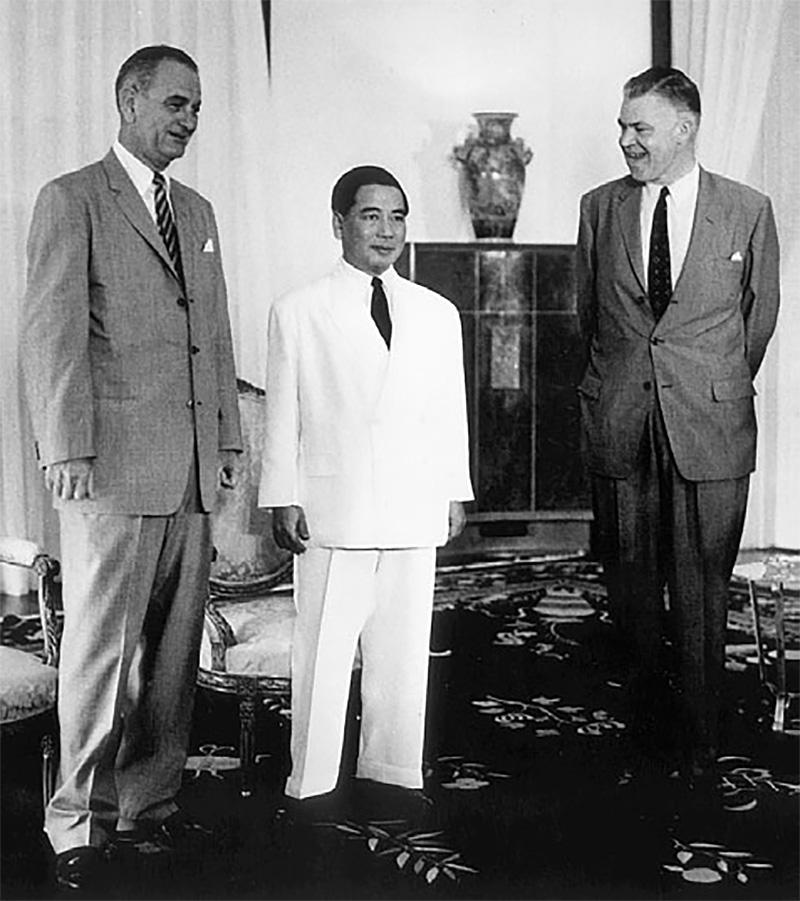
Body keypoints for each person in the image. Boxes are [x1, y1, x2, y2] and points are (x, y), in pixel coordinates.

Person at [21, 45, 242, 890]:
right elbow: (52, 336)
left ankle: (147, 805)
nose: (187, 121)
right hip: (109, 469)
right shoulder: (72, 199)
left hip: (189, 473)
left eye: (196, 109)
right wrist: (66, 447)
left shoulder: (200, 211)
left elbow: (213, 339)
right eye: (175, 104)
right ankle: (75, 818)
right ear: (129, 99)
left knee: (174, 655)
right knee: (101, 654)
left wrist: (224, 445)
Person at [576, 67, 780, 781]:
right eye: (623, 127)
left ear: (685, 129)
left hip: (710, 425)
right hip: (622, 421)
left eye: (641, 129)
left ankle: (699, 750)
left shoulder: (748, 210)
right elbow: (589, 316)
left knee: (701, 591)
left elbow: (757, 320)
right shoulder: (599, 207)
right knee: (629, 584)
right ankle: (643, 736)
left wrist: (706, 385)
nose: (626, 141)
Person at [258, 165, 473, 816]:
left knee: (404, 650)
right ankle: (313, 780)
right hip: (333, 507)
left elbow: (448, 411)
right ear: (339, 224)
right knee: (323, 651)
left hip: (412, 504)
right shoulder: (298, 311)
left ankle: (391, 768)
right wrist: (281, 495)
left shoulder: (436, 313)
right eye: (371, 216)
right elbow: (284, 415)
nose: (387, 230)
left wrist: (452, 488)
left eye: (397, 217)